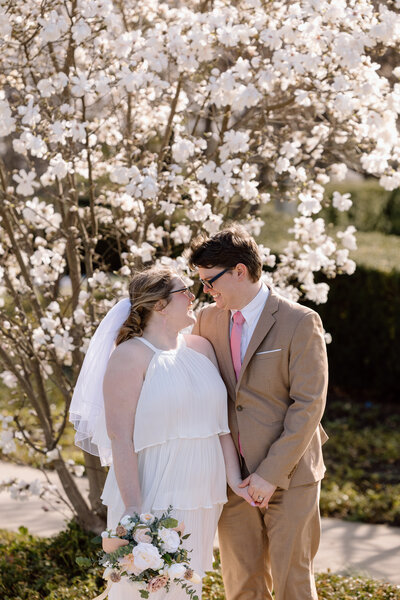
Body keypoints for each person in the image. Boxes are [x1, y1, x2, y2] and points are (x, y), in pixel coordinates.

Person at [70, 266, 252, 600]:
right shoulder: (129, 356)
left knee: (185, 585)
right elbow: (120, 438)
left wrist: (235, 480)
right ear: (160, 306)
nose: (193, 297)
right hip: (152, 489)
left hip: (201, 494)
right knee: (143, 590)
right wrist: (135, 509)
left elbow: (220, 426)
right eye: (185, 291)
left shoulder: (201, 348)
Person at [189, 225, 329, 600]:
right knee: (241, 585)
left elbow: (308, 404)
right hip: (232, 480)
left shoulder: (300, 321)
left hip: (290, 476)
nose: (206, 290)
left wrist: (269, 475)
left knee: (292, 585)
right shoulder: (205, 321)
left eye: (210, 280)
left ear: (239, 270)